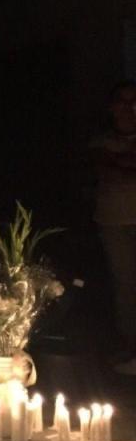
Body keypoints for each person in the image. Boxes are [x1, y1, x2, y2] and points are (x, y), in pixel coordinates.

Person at [90, 80, 136, 375]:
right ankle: (131, 350)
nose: (128, 108)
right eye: (122, 101)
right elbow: (103, 167)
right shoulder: (100, 140)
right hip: (114, 221)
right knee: (125, 288)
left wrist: (120, 163)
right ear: (111, 106)